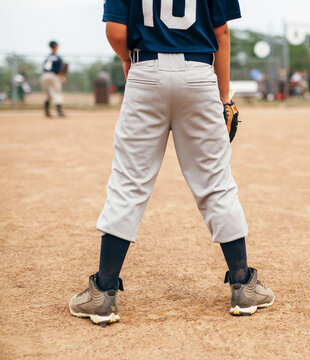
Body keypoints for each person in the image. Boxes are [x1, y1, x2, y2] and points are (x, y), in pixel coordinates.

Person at [69, 0, 274, 326]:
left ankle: (103, 292)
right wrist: (224, 98)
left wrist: (128, 59)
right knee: (216, 181)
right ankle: (243, 284)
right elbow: (221, 33)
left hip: (146, 72)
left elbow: (116, 31)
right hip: (198, 73)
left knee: (128, 181)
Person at [41, 41, 65, 117]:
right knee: (57, 93)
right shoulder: (58, 57)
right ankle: (59, 112)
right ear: (56, 47)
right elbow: (60, 70)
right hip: (53, 76)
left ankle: (47, 112)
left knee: (48, 94)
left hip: (45, 76)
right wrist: (62, 76)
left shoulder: (47, 57)